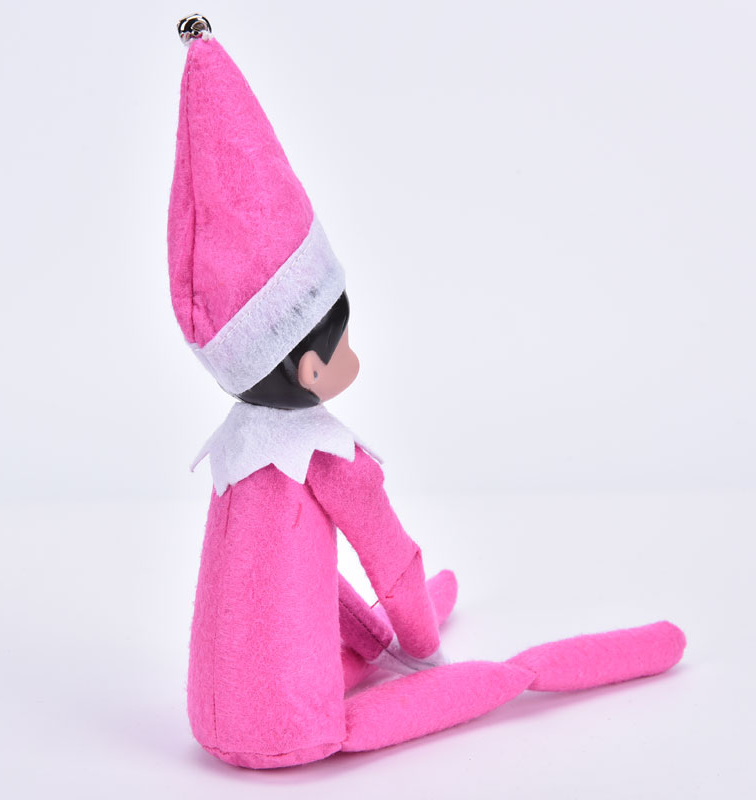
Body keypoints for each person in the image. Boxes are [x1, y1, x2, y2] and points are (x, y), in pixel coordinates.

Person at [168, 16, 686, 769]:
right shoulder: (328, 459)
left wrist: (371, 641)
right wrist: (416, 642)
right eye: (341, 342)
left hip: (211, 714)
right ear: (309, 370)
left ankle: (362, 666)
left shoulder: (232, 464)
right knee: (507, 680)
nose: (351, 355)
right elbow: (394, 565)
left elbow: (282, 582)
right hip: (308, 728)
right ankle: (569, 664)